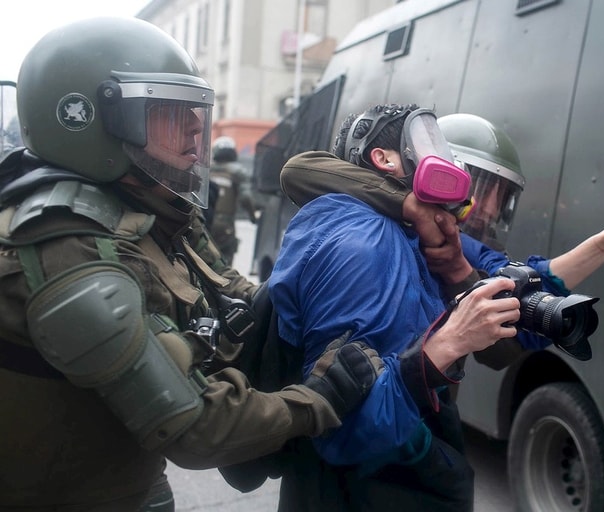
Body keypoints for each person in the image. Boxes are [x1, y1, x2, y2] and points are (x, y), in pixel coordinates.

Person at [0, 18, 396, 512]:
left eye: (194, 109)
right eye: (169, 111)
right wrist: (321, 398)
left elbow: (236, 292)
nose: (194, 126)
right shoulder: (71, 255)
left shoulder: (148, 209)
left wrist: (316, 290)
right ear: (91, 123)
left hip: (125, 474)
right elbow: (195, 428)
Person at [271, 105, 604, 511]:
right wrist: (443, 351)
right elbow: (343, 421)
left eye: (499, 195)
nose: (484, 206)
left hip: (403, 459)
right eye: (479, 186)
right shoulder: (364, 241)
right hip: (362, 480)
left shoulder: (440, 239)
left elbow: (524, 289)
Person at [207, 135, 260, 265]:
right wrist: (253, 217)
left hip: (205, 221)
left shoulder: (207, 170)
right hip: (226, 226)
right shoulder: (238, 172)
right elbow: (245, 198)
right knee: (225, 264)